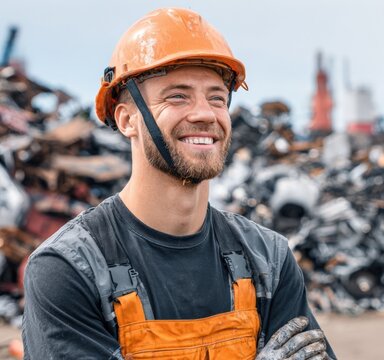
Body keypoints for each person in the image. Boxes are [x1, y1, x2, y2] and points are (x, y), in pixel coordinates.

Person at [22, 7, 335, 360]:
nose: (205, 113)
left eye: (217, 98)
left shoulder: (268, 259)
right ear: (127, 119)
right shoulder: (68, 268)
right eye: (177, 96)